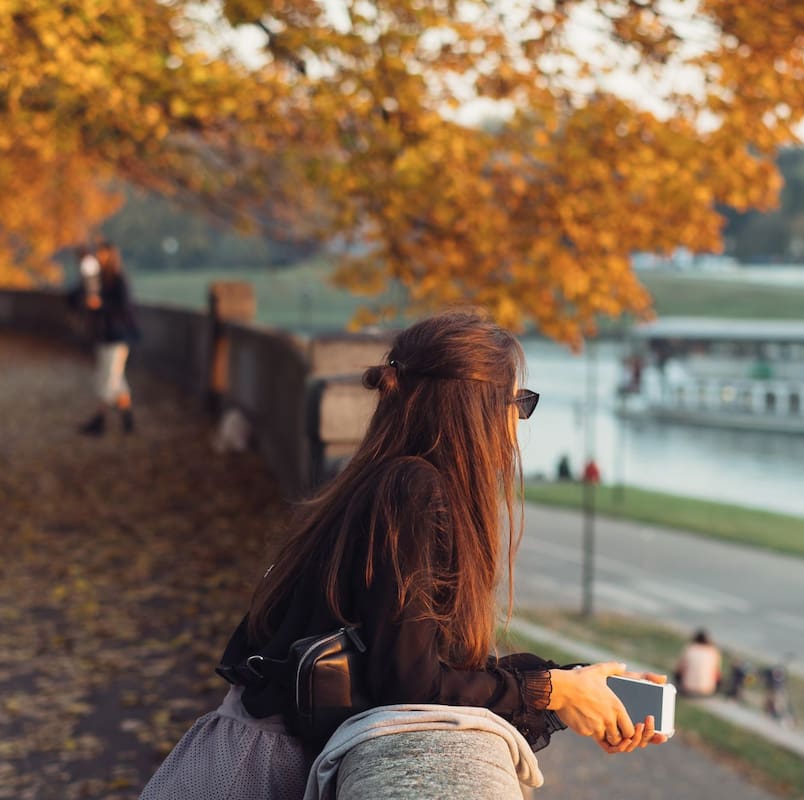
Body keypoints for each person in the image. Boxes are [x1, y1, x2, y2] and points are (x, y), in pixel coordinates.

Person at [140, 311, 668, 800]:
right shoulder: (412, 491)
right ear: (476, 410)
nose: (516, 426)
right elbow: (409, 683)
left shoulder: (388, 477)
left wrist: (574, 685)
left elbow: (413, 657)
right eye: (518, 404)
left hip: (258, 755)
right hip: (255, 775)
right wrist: (548, 690)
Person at [74, 242, 139, 436]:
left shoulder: (119, 280)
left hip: (118, 337)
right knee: (117, 379)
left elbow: (124, 307)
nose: (100, 258)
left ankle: (100, 420)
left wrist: (101, 304)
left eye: (103, 254)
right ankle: (128, 419)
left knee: (108, 379)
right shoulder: (100, 279)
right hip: (104, 335)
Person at [674, 629, 722, 697]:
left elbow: (678, 671)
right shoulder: (713, 652)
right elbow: (717, 676)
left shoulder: (689, 649)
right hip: (706, 691)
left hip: (687, 688)